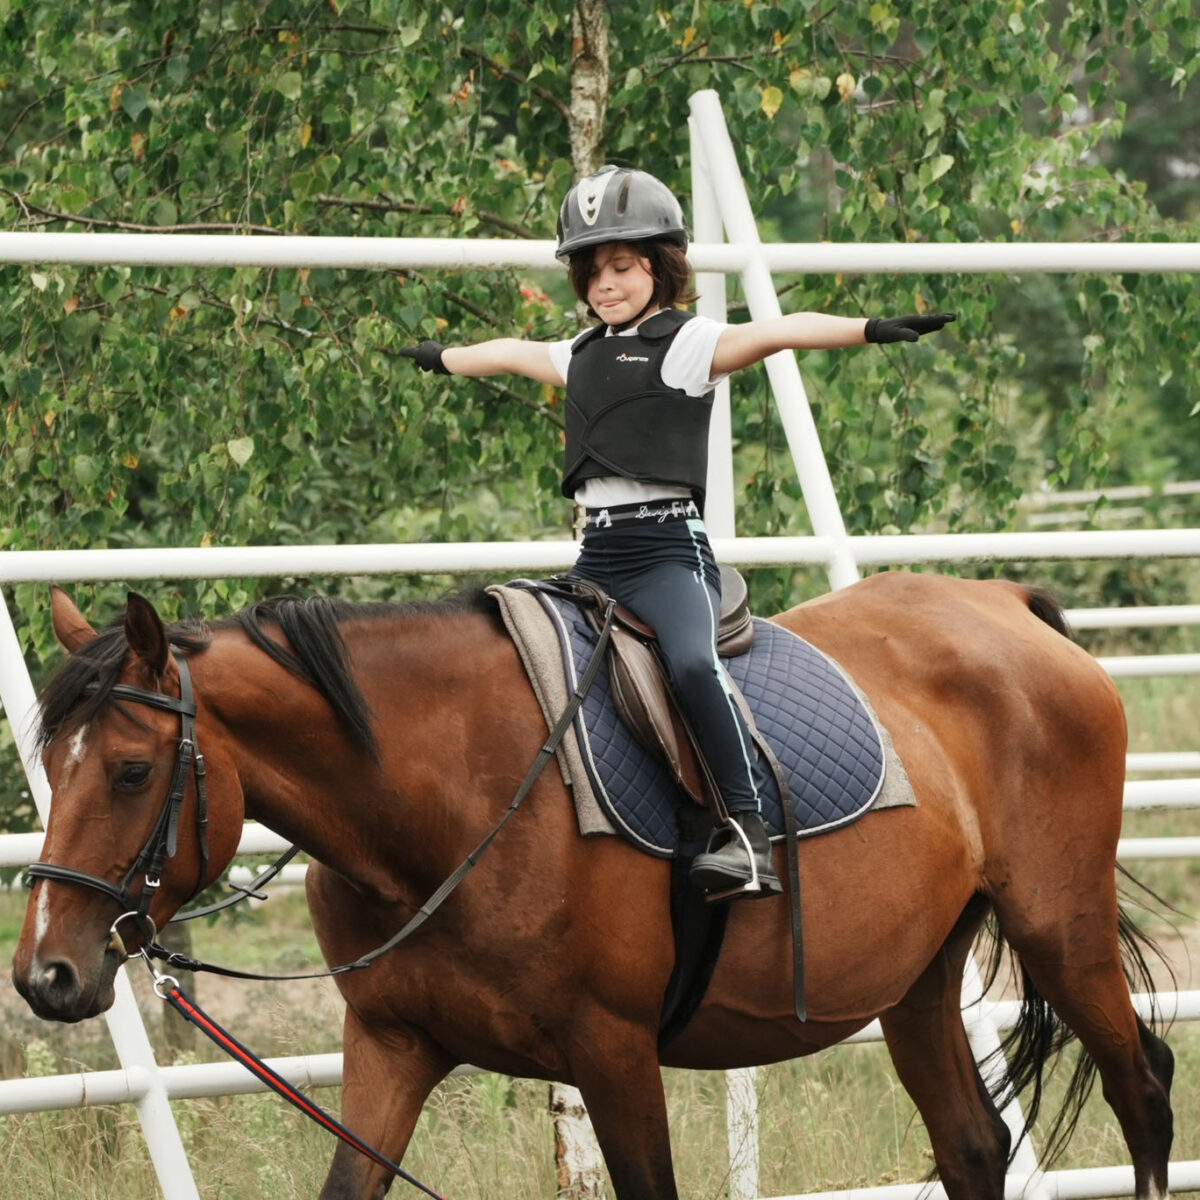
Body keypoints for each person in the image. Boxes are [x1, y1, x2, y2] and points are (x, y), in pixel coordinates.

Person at [401, 164, 954, 902]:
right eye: (592, 272)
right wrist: (441, 359)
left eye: (622, 268)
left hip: (667, 552)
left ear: (659, 268)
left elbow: (780, 330)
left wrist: (869, 330)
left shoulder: (688, 344)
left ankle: (747, 832)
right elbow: (506, 351)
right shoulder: (579, 354)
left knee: (692, 666)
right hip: (597, 553)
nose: (605, 284)